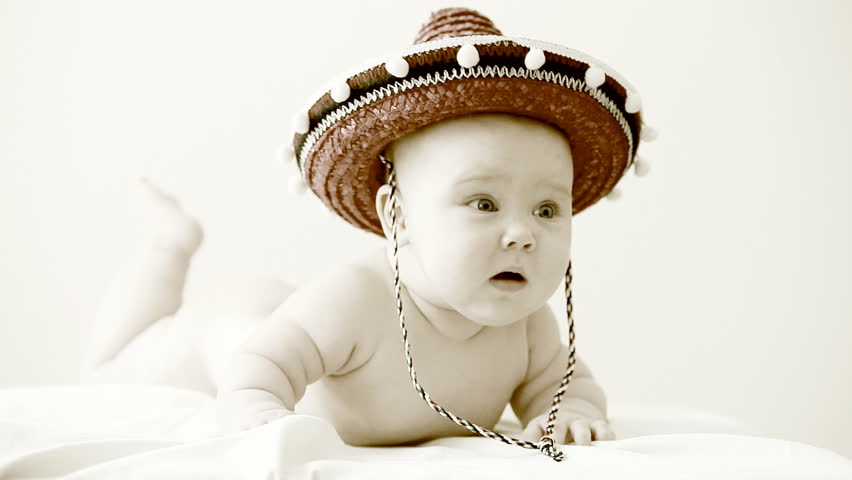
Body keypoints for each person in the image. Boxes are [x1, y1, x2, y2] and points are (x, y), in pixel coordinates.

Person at [81, 7, 656, 461]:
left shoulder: (529, 327)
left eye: (548, 210)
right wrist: (257, 411)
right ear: (396, 216)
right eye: (483, 202)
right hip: (236, 327)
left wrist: (569, 413)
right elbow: (259, 367)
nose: (522, 234)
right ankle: (170, 243)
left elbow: (562, 386)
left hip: (299, 322)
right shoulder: (357, 299)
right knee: (114, 368)